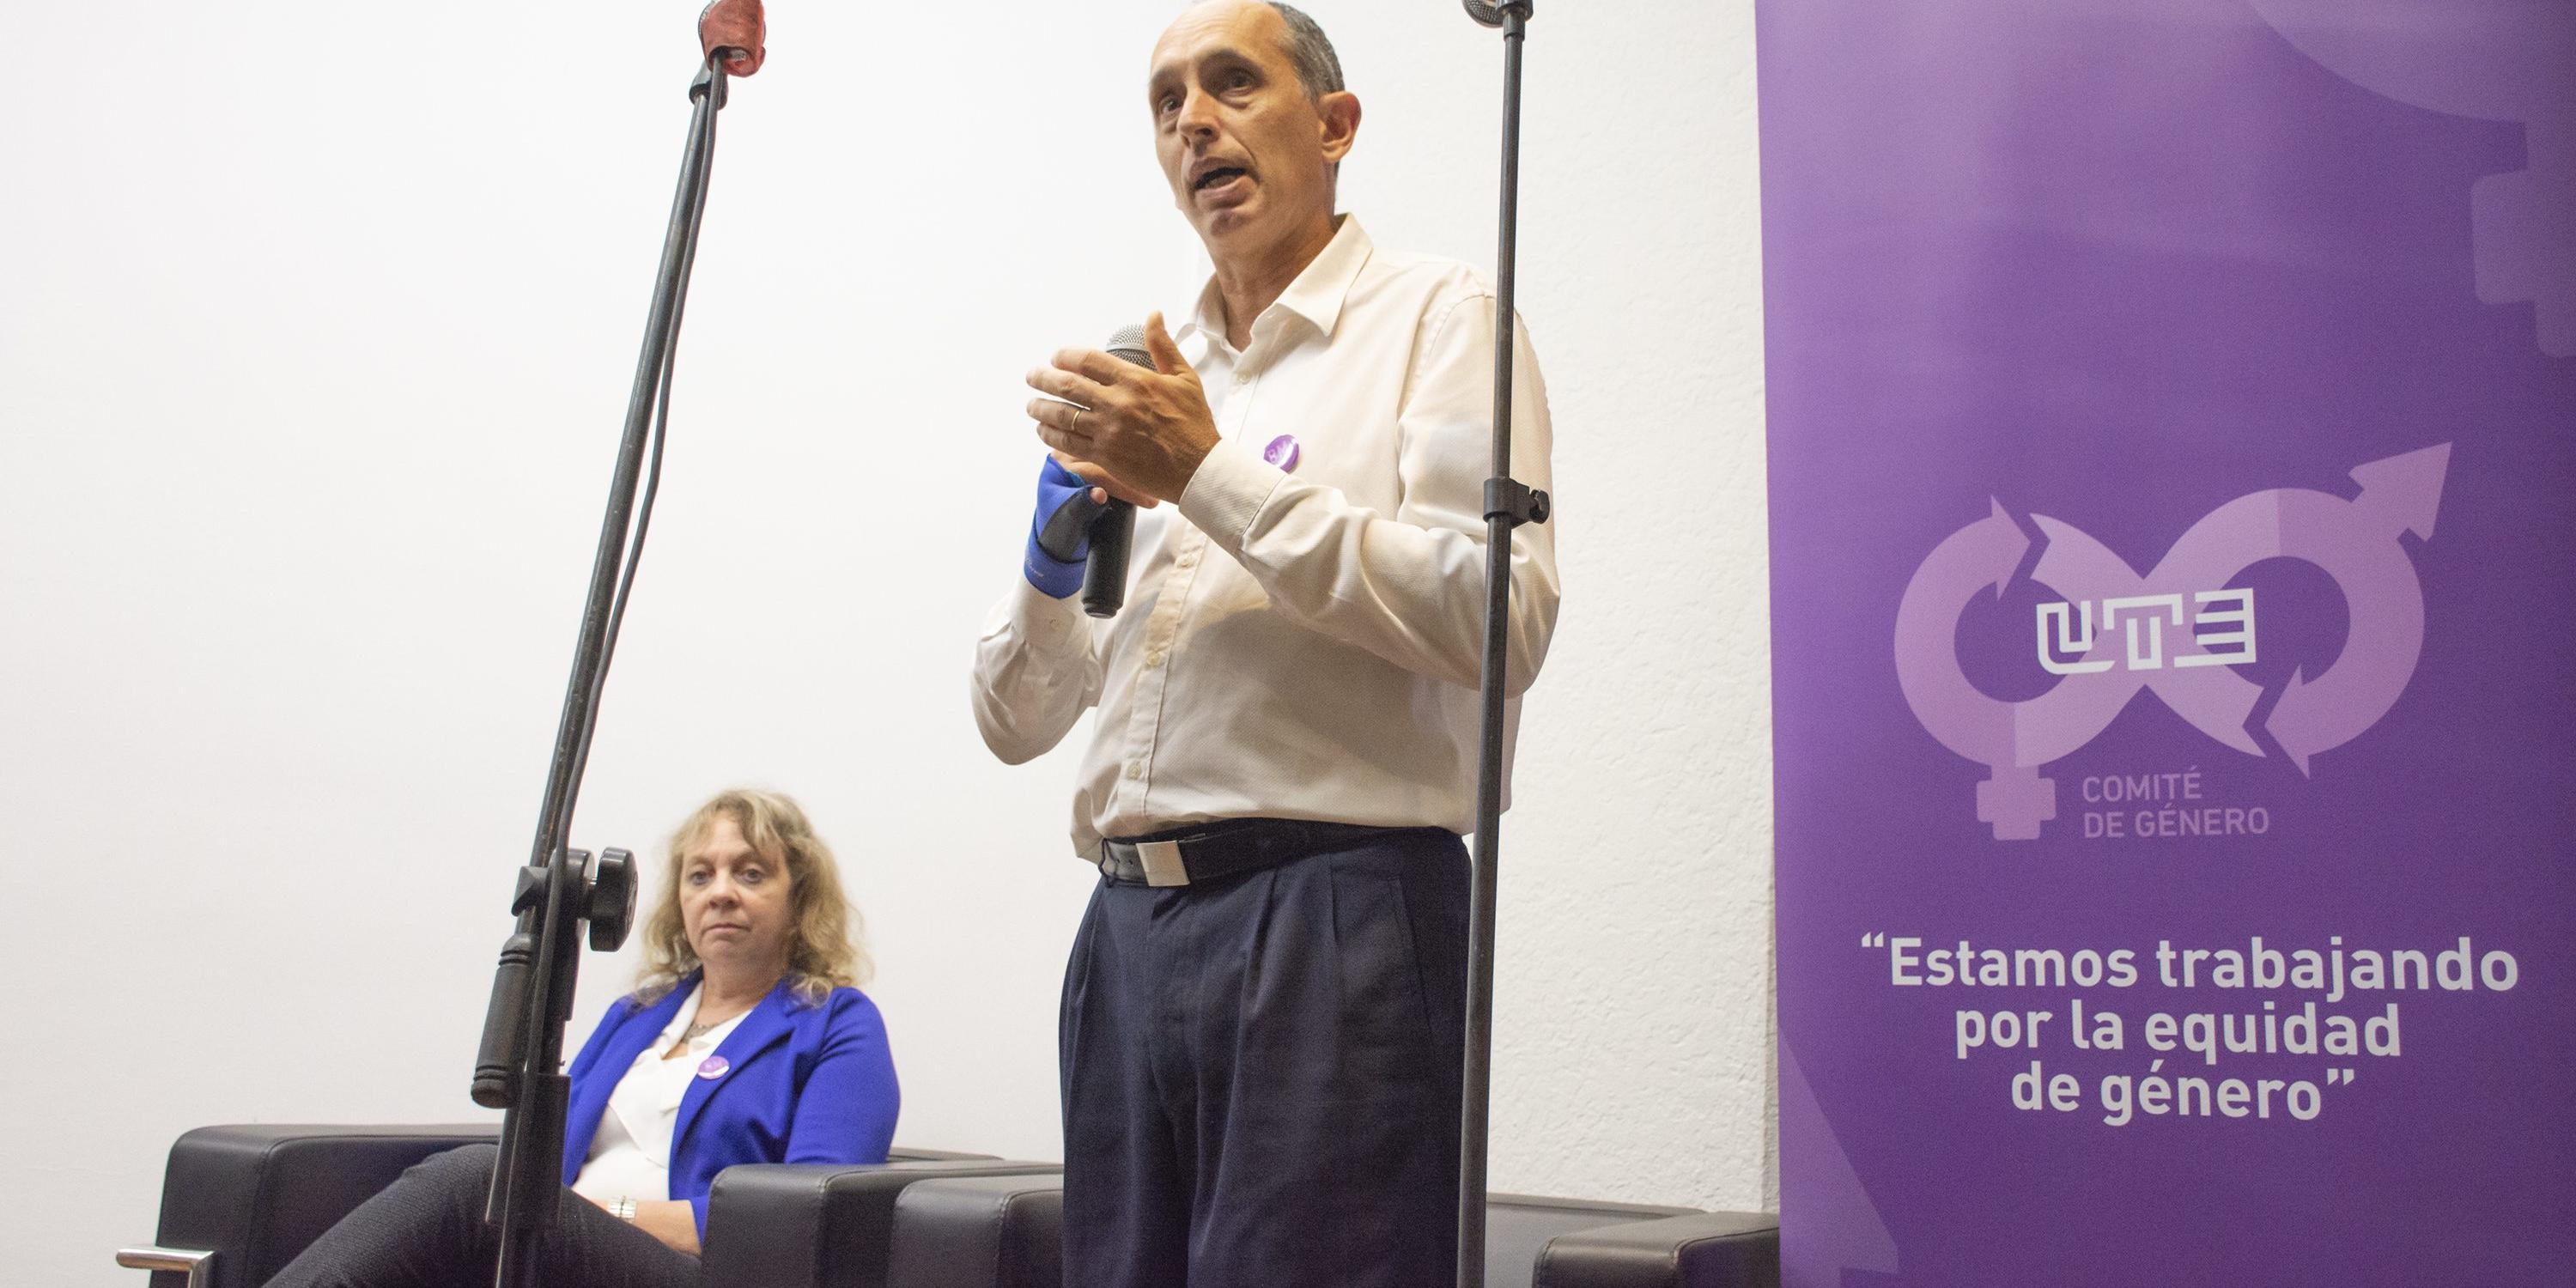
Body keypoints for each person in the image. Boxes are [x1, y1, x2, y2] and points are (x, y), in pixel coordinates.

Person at [970, 3, 1559, 1284]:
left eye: (1234, 83)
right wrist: (1051, 556)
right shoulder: (1164, 376)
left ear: (1335, 125)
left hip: (1333, 920)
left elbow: (1497, 616)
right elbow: (1016, 723)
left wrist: (1208, 477)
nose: (1193, 120)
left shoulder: (1439, 320)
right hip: (1125, 937)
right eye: (1167, 99)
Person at [262, 789, 898, 1288]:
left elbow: (803, 1220)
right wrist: (559, 1216)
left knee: (472, 1184)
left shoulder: (837, 1023)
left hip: (705, 1275)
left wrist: (598, 1217)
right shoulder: (639, 1014)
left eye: (751, 874)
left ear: (799, 899)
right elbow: (552, 1163)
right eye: (700, 876)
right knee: (453, 1218)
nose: (721, 893)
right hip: (570, 1257)